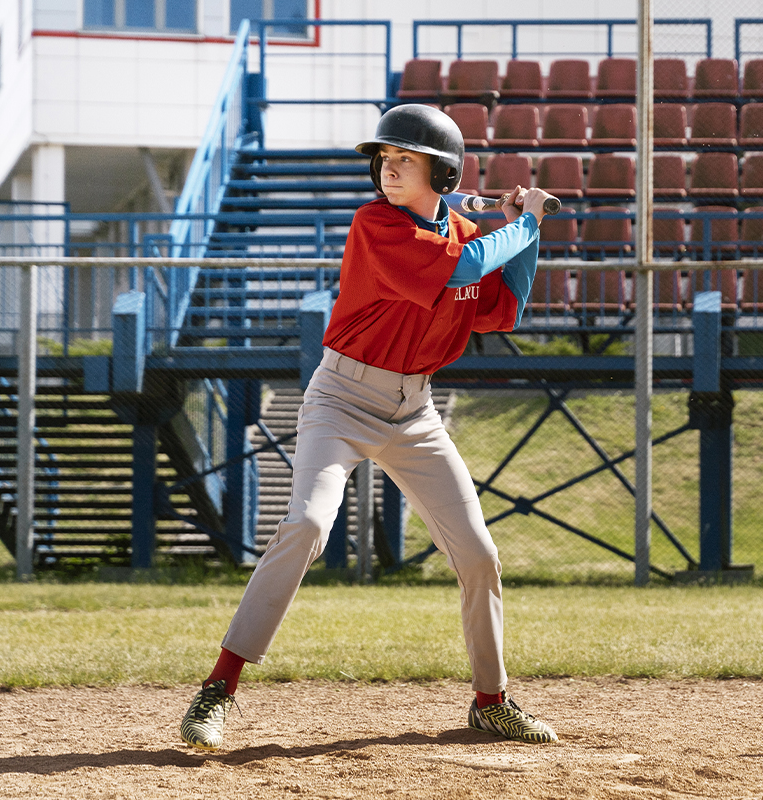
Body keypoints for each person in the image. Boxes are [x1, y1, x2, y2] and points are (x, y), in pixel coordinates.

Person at [177, 104, 558, 750]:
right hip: (342, 399)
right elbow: (465, 270)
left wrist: (528, 234)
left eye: (405, 161)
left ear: (442, 173)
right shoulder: (376, 225)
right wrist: (521, 224)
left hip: (415, 413)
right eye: (384, 160)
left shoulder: (466, 231)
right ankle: (218, 689)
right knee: (305, 524)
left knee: (478, 554)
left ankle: (491, 702)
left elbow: (505, 308)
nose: (388, 170)